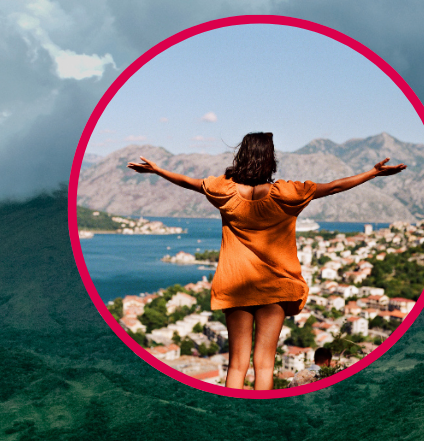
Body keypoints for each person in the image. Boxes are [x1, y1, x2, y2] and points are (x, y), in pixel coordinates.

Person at [128, 132, 406, 390]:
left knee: (236, 364)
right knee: (265, 363)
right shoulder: (288, 193)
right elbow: (334, 187)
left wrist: (157, 170)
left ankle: (231, 417)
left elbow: (187, 182)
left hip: (235, 285)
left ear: (242, 156)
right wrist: (372, 173)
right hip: (276, 287)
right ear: (270, 160)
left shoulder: (224, 191)